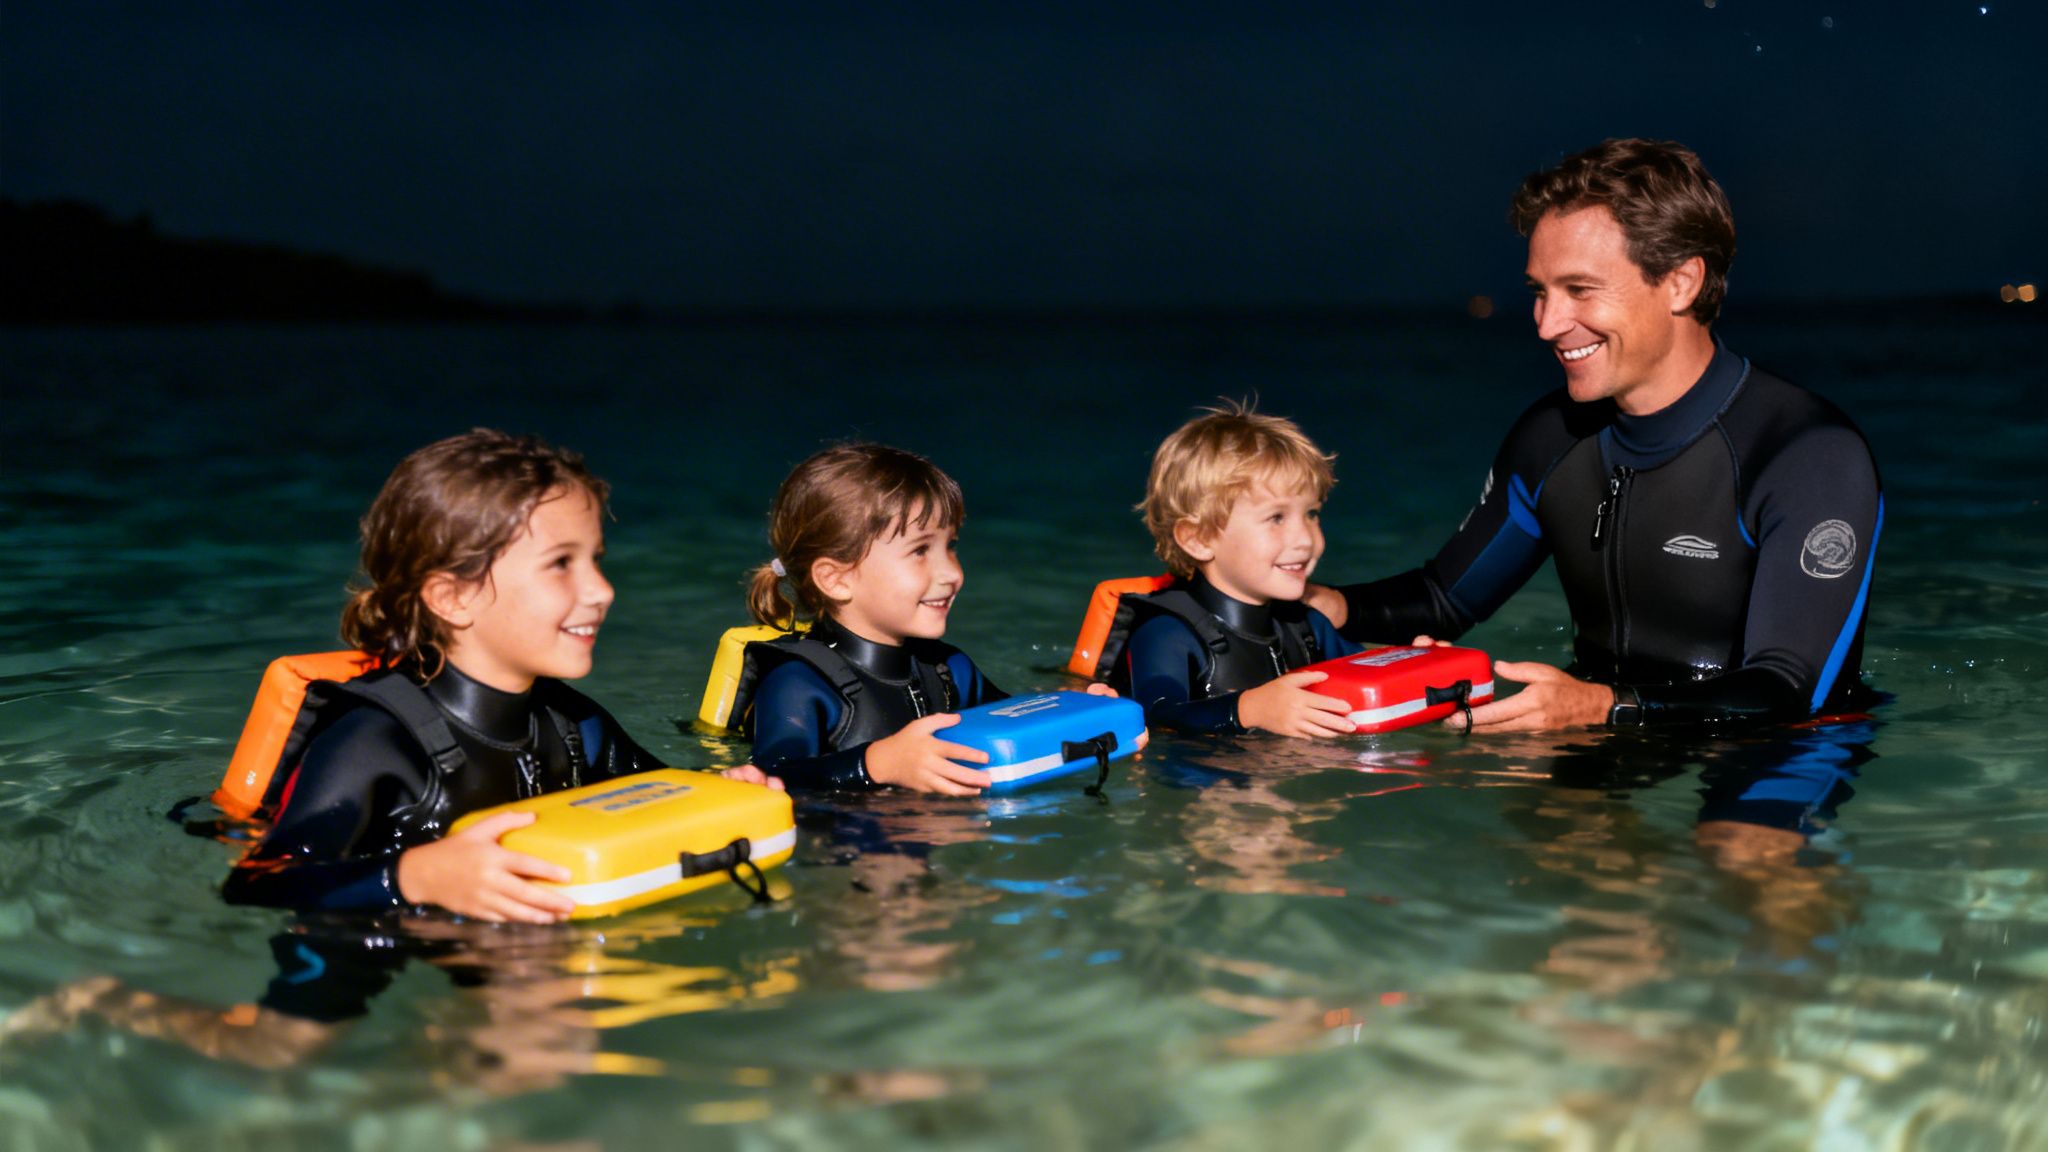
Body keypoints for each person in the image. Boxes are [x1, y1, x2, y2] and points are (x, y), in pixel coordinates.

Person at [1308, 138, 1882, 731]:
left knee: (1739, 831)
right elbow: (1442, 599)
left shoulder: (1806, 454)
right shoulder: (1551, 439)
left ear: (1682, 283)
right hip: (1604, 718)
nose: (1548, 324)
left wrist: (1603, 706)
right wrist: (1325, 606)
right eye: (1540, 292)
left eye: (1579, 290)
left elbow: (1787, 690)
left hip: (1779, 738)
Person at [222, 429, 777, 923]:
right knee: (293, 1044)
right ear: (452, 597)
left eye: (596, 560)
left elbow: (659, 794)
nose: (602, 590)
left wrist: (719, 789)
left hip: (505, 930)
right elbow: (256, 883)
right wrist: (413, 878)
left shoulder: (576, 726)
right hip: (369, 928)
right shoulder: (372, 744)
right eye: (561, 563)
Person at [733, 442, 1010, 794]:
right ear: (837, 579)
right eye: (921, 550)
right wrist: (876, 765)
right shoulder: (799, 684)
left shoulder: (950, 670)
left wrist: (1079, 706)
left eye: (950, 545)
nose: (951, 573)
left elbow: (1018, 716)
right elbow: (777, 779)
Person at [1103, 402, 1362, 737]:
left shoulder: (1308, 626)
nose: (1305, 539)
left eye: (1311, 513)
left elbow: (1368, 675)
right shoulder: (1167, 633)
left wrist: (1422, 671)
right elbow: (1158, 718)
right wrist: (1247, 710)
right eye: (1276, 518)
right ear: (1198, 539)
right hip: (1205, 785)